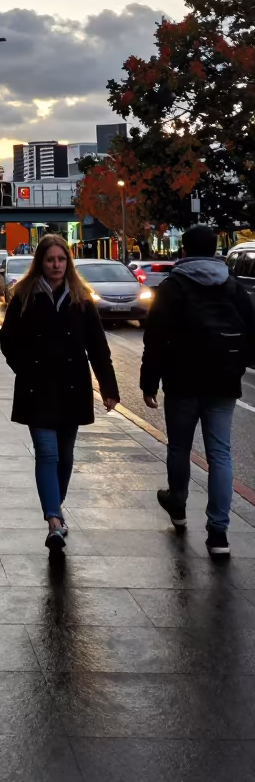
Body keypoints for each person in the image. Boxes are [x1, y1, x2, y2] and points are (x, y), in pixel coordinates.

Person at [0, 233, 120, 554]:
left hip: (72, 387)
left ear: (68, 262)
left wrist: (108, 388)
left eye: (61, 259)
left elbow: (98, 347)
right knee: (47, 454)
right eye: (50, 259)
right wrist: (24, 367)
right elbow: (6, 339)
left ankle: (56, 503)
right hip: (37, 388)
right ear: (41, 262)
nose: (56, 265)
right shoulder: (24, 295)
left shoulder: (81, 299)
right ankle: (53, 519)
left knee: (65, 458)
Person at [140, 224, 255, 557]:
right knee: (221, 453)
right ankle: (218, 533)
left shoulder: (172, 287)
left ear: (184, 251)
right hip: (223, 383)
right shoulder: (232, 287)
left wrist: (150, 382)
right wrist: (236, 365)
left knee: (179, 447)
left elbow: (155, 340)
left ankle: (178, 505)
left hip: (182, 382)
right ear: (216, 249)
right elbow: (251, 332)